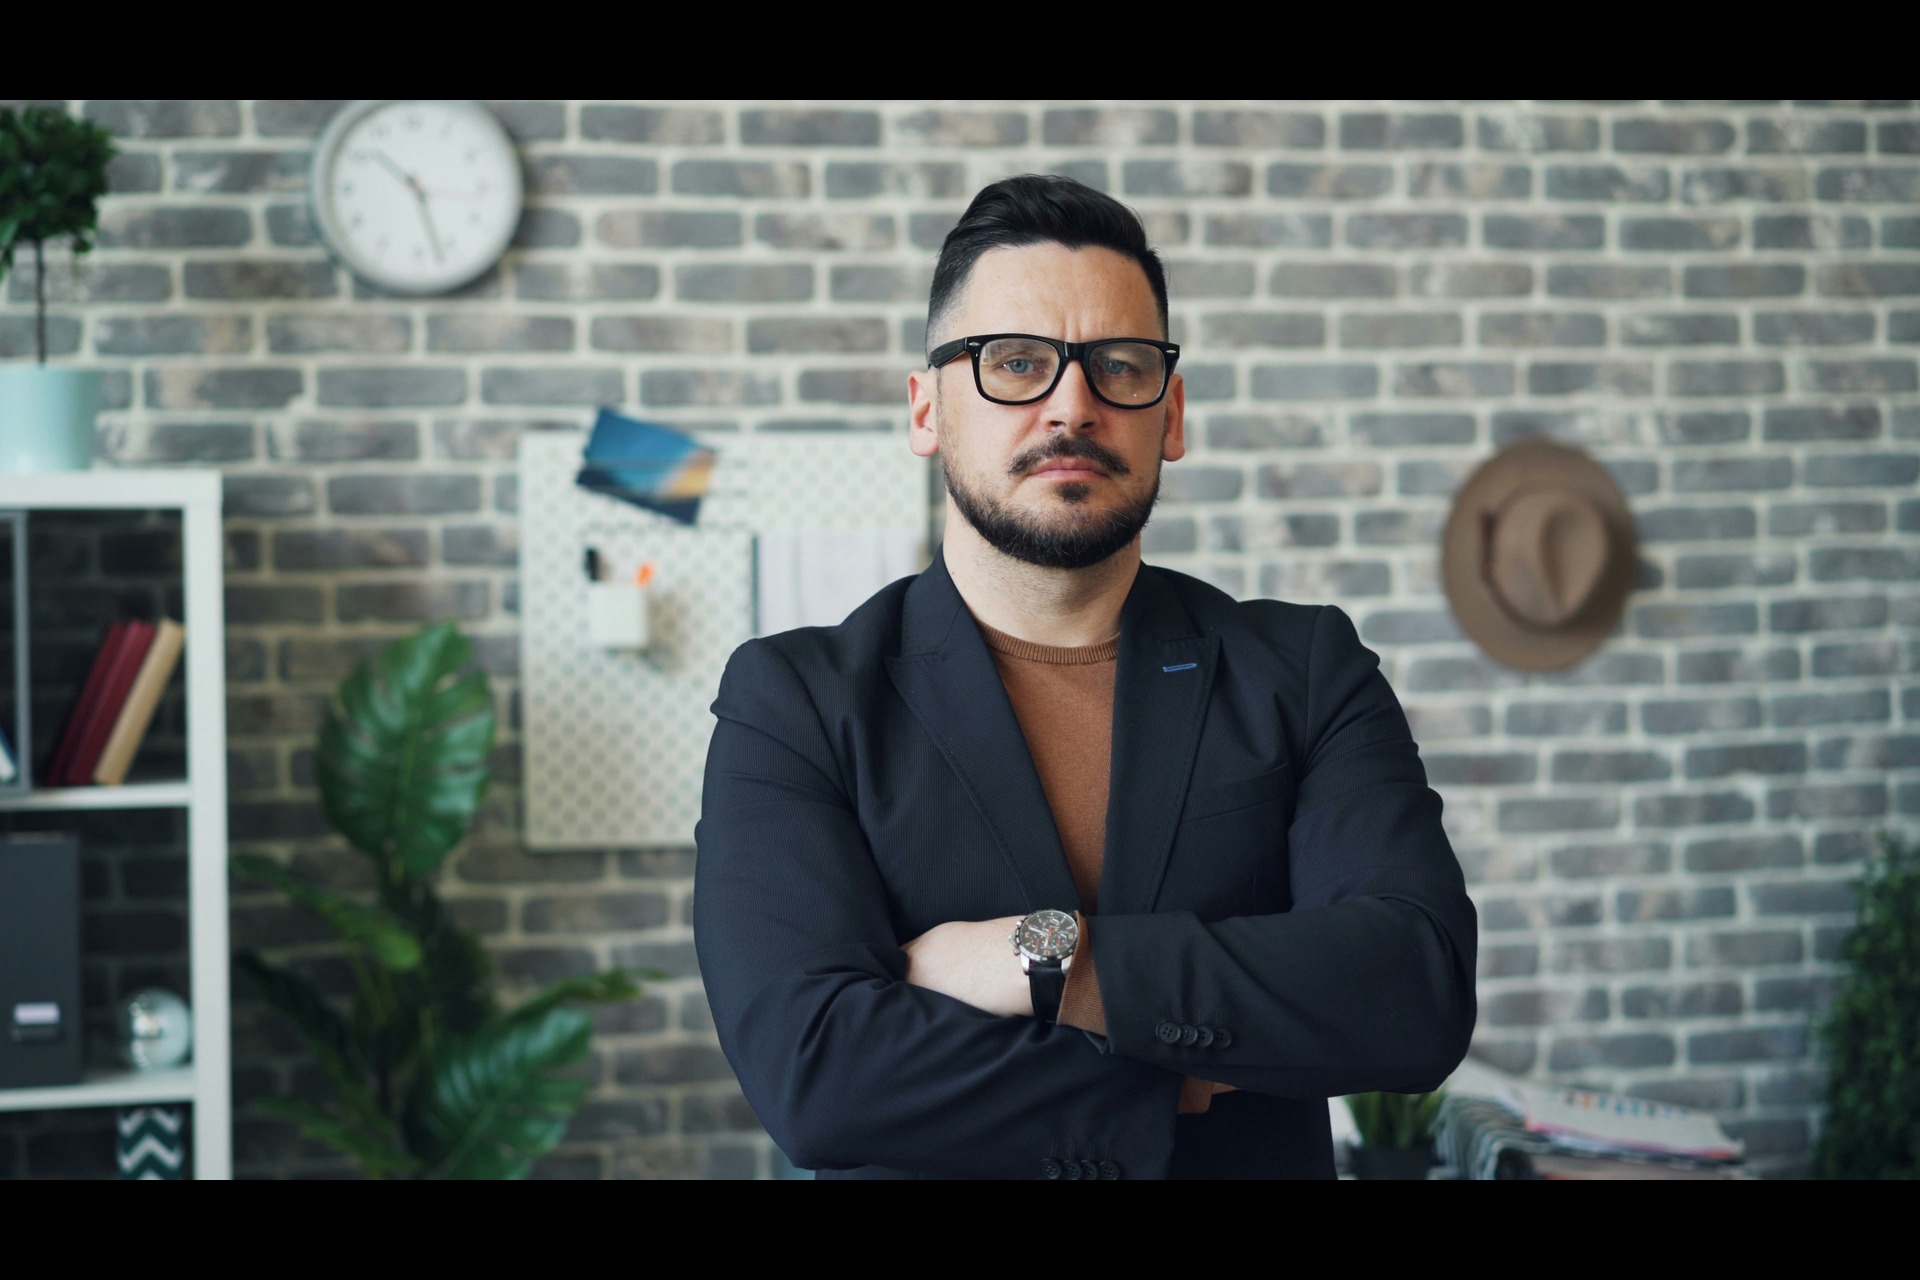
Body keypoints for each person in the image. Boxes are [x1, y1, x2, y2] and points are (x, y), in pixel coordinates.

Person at [693, 174, 1477, 1180]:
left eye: (1120, 366)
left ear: (1171, 415)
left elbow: (1413, 990)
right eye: (1015, 362)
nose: (1073, 404)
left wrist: (1051, 958)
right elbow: (817, 1075)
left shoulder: (1304, 669)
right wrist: (1164, 1080)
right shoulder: (796, 699)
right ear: (928, 409)